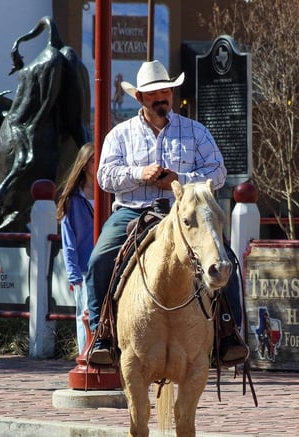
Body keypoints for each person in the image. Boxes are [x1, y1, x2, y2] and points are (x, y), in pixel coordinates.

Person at [83, 60, 247, 366]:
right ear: (140, 98)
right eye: (154, 94)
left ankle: (229, 332)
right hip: (133, 212)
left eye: (166, 92)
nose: (162, 98)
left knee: (224, 256)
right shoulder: (120, 134)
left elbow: (218, 172)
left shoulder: (195, 131)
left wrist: (180, 181)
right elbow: (104, 176)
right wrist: (139, 173)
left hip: (184, 213)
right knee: (99, 260)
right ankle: (101, 333)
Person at [56, 142, 95, 355]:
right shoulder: (73, 199)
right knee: (85, 314)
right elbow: (68, 240)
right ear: (83, 164)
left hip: (107, 263)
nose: (97, 164)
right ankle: (85, 355)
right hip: (84, 266)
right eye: (93, 160)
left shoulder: (108, 193)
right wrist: (73, 274)